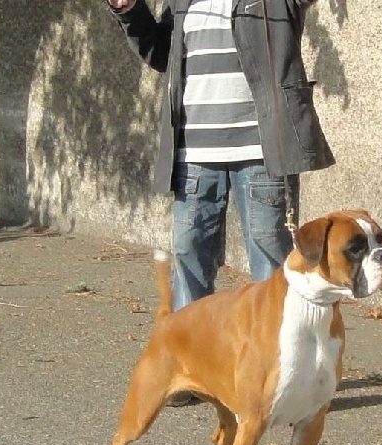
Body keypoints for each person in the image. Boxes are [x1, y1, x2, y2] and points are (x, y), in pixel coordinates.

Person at [106, 0, 335, 403]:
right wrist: (129, 11)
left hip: (263, 153)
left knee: (272, 263)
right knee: (190, 255)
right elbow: (161, 52)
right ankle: (188, 365)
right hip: (195, 152)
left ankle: (278, 370)